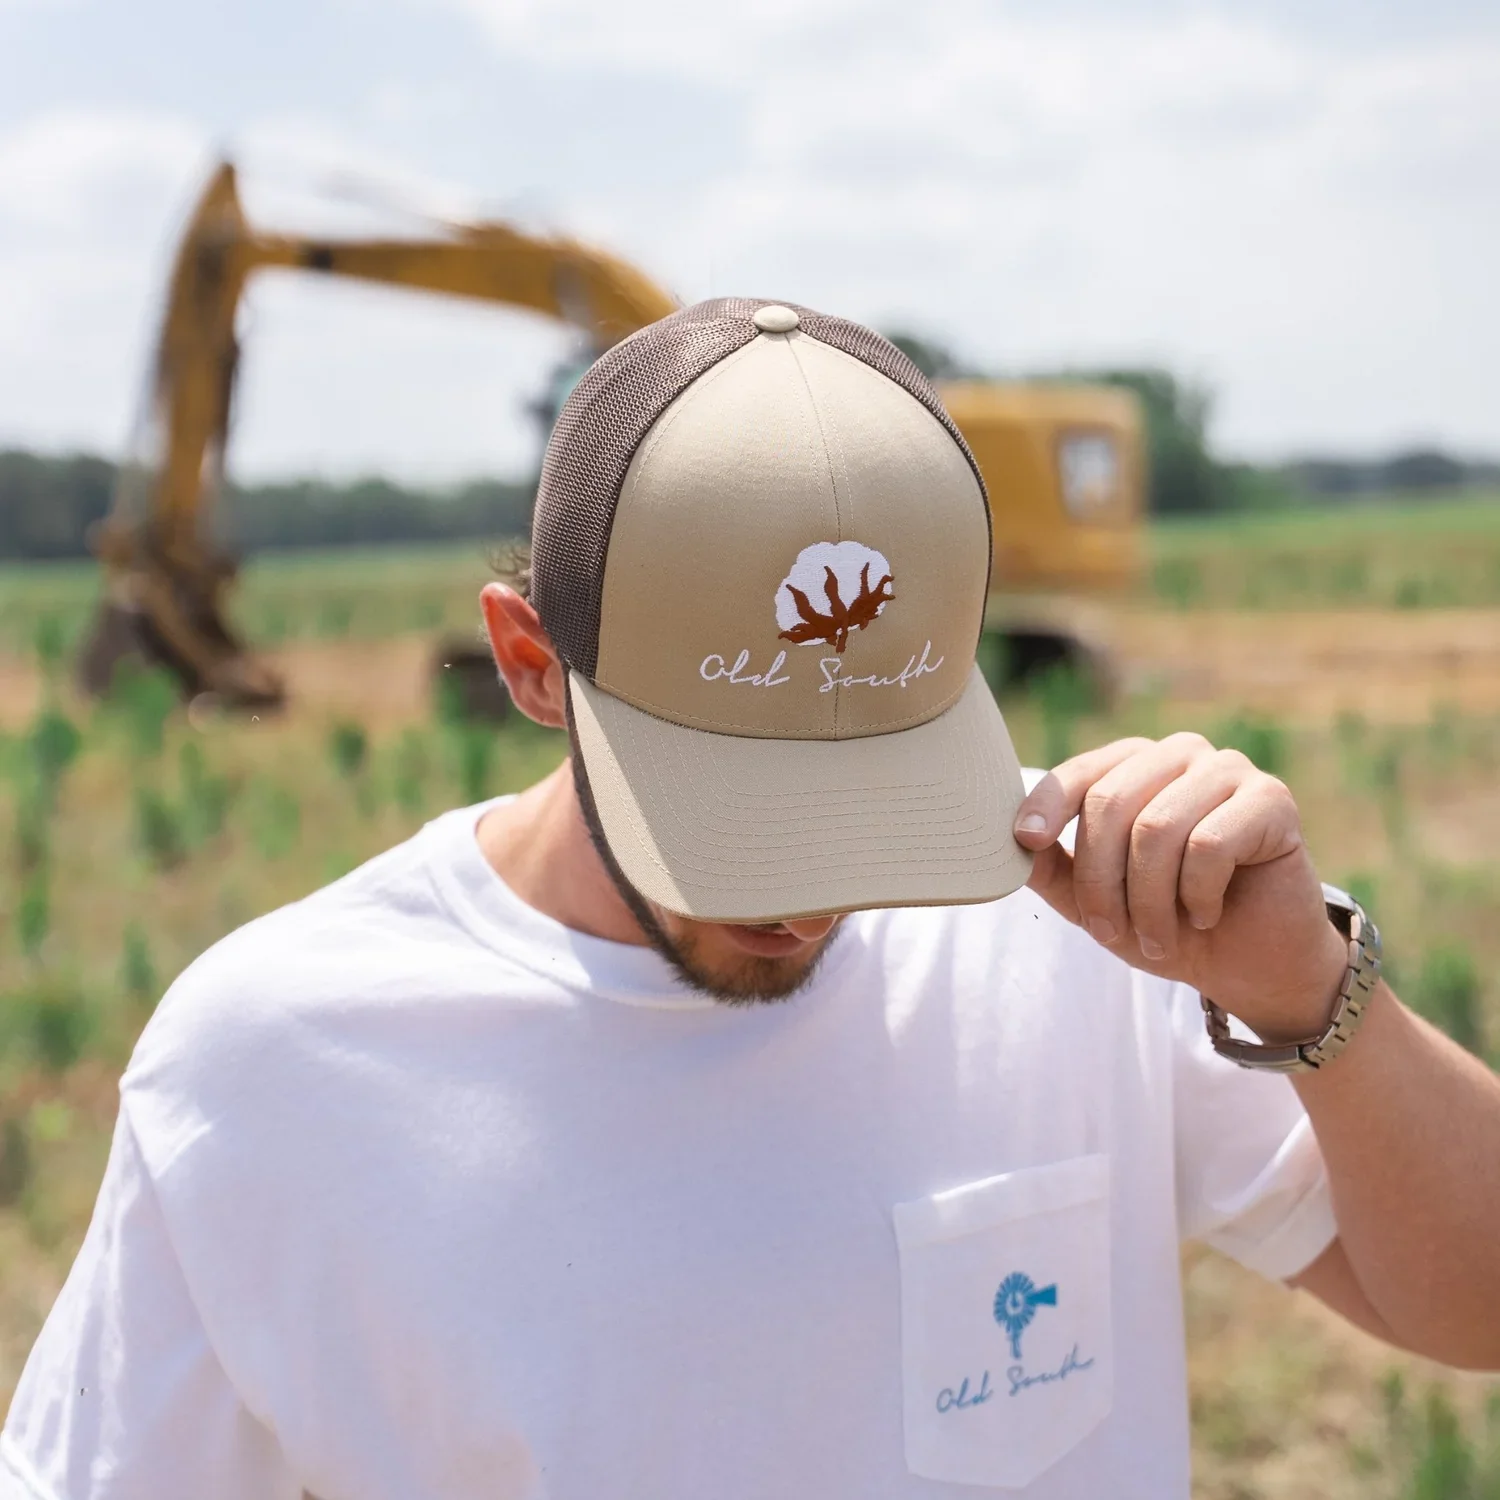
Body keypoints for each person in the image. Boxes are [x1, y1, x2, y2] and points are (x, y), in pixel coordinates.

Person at [3, 299, 1497, 1500]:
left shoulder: (1087, 931)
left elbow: (1475, 1309)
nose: (809, 901)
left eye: (875, 799)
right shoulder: (275, 1064)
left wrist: (1317, 1002)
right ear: (531, 663)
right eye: (734, 813)